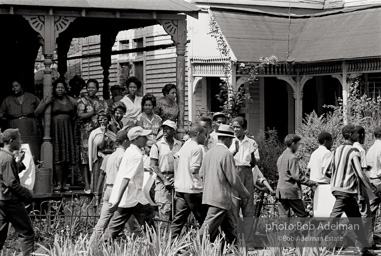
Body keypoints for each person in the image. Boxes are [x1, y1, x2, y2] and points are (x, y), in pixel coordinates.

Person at [324, 124, 378, 256]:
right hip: (346, 190)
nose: (358, 135)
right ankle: (313, 241)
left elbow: (326, 171)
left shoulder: (336, 150)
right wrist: (371, 187)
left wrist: (337, 180)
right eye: (356, 133)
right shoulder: (354, 152)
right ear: (351, 135)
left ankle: (363, 249)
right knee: (334, 218)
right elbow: (360, 174)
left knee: (356, 220)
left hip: (338, 188)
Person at [198, 124, 250, 246]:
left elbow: (201, 174)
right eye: (231, 140)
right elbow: (233, 179)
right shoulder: (226, 153)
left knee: (230, 228)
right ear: (227, 139)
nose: (231, 142)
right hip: (220, 198)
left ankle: (236, 250)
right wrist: (245, 193)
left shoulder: (209, 153)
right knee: (207, 230)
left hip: (209, 196)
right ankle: (193, 251)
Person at [106, 126, 154, 239]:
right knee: (115, 228)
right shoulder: (135, 155)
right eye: (143, 137)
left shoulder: (130, 151)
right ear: (136, 139)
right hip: (130, 197)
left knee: (148, 221)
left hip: (134, 197)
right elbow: (126, 179)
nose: (146, 138)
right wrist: (117, 201)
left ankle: (155, 246)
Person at [35, 78, 78, 192]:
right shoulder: (50, 99)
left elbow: (75, 113)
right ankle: (58, 183)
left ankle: (65, 183)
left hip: (67, 130)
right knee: (58, 157)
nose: (60, 90)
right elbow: (37, 113)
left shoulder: (70, 100)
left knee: (66, 157)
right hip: (55, 130)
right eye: (58, 87)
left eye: (62, 88)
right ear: (54, 89)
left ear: (65, 89)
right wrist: (45, 103)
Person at [89, 130, 129, 247]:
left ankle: (90, 246)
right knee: (125, 223)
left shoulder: (109, 157)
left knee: (102, 222)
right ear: (126, 141)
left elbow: (103, 174)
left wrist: (99, 192)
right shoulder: (124, 156)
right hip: (118, 191)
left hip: (108, 189)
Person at [0, 129, 34, 256]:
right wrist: (27, 194)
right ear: (10, 141)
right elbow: (11, 183)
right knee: (26, 232)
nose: (21, 142)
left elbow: (5, 175)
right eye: (18, 139)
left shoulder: (2, 155)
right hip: (10, 200)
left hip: (1, 200)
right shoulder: (8, 158)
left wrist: (19, 161)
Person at [171, 124, 208, 238]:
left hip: (181, 187)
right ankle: (209, 245)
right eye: (204, 135)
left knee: (178, 219)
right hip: (193, 189)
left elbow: (176, 160)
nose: (205, 138)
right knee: (203, 219)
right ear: (198, 134)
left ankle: (170, 244)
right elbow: (194, 169)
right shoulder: (197, 148)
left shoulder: (185, 145)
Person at [229, 116, 259, 244]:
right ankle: (234, 240)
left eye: (238, 127)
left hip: (246, 172)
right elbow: (227, 159)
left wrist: (252, 153)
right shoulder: (229, 141)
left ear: (244, 128)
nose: (235, 130)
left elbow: (254, 163)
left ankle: (248, 240)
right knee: (234, 206)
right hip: (234, 171)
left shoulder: (251, 142)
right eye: (233, 127)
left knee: (248, 207)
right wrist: (235, 150)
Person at [77, 79, 108, 193]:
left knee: (98, 156)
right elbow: (80, 115)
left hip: (99, 132)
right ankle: (87, 184)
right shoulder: (82, 100)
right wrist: (93, 112)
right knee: (86, 158)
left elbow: (106, 113)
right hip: (86, 133)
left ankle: (96, 184)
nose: (91, 89)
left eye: (93, 87)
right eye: (89, 87)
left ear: (97, 89)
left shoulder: (101, 100)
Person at [276, 134, 318, 217]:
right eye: (298, 144)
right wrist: (312, 183)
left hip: (281, 192)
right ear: (293, 144)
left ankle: (287, 230)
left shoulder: (280, 157)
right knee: (302, 216)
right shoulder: (292, 158)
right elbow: (297, 176)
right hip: (291, 192)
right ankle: (295, 230)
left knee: (283, 219)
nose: (298, 147)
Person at [0, 79, 41, 162]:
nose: (14, 88)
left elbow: (40, 110)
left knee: (31, 152)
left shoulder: (32, 98)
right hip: (15, 129)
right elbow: (1, 114)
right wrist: (10, 120)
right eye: (12, 87)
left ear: (21, 86)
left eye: (16, 86)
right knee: (17, 153)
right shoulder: (8, 100)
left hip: (30, 130)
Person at [150, 120, 182, 225]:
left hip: (177, 179)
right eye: (163, 128)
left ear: (173, 131)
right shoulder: (157, 145)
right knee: (164, 209)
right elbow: (153, 165)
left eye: (168, 128)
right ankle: (163, 237)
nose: (165, 130)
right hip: (162, 178)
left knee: (178, 210)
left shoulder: (180, 145)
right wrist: (164, 180)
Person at [88, 111, 116, 193]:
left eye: (105, 119)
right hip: (99, 160)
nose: (102, 122)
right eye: (100, 120)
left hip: (110, 160)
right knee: (98, 184)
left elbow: (115, 145)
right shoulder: (94, 133)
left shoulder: (111, 134)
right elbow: (99, 146)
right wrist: (103, 133)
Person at [366, 126, 381, 247]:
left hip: (372, 181)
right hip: (380, 180)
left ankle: (368, 240)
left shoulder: (370, 149)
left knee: (371, 211)